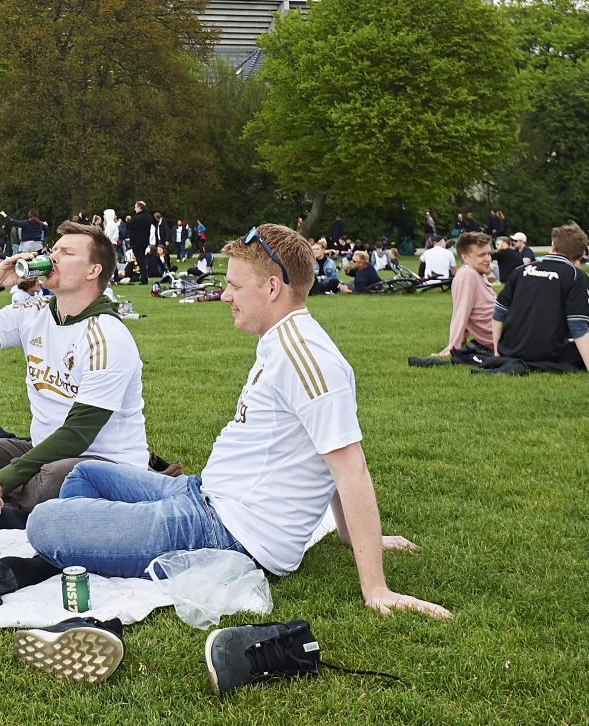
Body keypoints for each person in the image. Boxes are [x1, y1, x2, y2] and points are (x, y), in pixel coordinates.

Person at [23, 225, 450, 620]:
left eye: (234, 285)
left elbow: (348, 466)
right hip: (203, 496)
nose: (225, 296)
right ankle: (107, 537)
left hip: (226, 532)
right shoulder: (279, 340)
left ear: (271, 287)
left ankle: (105, 540)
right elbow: (326, 452)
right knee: (85, 474)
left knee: (44, 523)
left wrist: (376, 587)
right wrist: (346, 535)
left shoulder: (307, 358)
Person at [0, 221, 149, 522]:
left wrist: (1, 479)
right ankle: (2, 509)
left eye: (67, 252)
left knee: (60, 474)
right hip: (41, 451)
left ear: (92, 271)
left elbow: (77, 435)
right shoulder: (34, 312)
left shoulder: (107, 337)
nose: (53, 257)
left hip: (102, 464)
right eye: (54, 249)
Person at [490, 225, 589, 374]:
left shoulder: (520, 271)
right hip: (550, 353)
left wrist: (497, 353)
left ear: (553, 245)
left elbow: (498, 313)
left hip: (511, 349)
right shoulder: (575, 276)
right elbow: (578, 326)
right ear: (581, 254)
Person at [434, 232, 496, 356]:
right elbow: (461, 314)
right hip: (507, 337)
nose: (488, 259)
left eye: (489, 253)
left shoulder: (478, 273)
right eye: (482, 255)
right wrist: (453, 347)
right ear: (465, 258)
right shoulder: (466, 275)